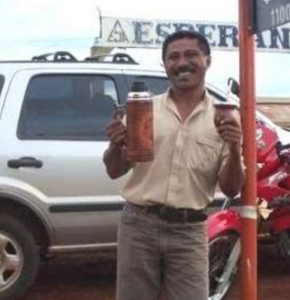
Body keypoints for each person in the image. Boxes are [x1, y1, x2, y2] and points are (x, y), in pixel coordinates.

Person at [104, 30, 244, 300]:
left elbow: (231, 188)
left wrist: (235, 148)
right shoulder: (142, 110)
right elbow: (115, 170)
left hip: (189, 231)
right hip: (138, 227)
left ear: (207, 60)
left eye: (191, 55)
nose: (182, 63)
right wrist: (114, 145)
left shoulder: (224, 117)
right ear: (165, 64)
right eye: (173, 57)